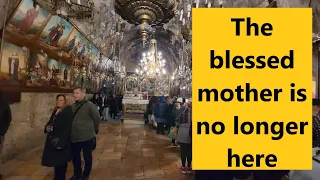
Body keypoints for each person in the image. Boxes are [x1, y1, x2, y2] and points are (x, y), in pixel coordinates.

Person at [70, 87, 101, 180]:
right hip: (75, 136)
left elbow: (97, 118)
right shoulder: (73, 106)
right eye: (74, 93)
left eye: (77, 93)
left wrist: (94, 129)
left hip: (87, 136)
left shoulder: (90, 105)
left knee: (87, 156)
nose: (75, 95)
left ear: (83, 94)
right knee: (75, 157)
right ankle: (77, 173)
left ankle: (86, 174)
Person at [41, 94, 73, 180]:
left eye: (61, 100)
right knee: (56, 160)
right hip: (54, 139)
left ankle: (61, 178)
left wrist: (62, 142)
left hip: (61, 139)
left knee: (62, 161)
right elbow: (50, 121)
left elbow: (68, 128)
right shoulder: (56, 110)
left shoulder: (67, 111)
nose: (59, 102)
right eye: (58, 100)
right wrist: (47, 127)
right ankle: (57, 177)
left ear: (65, 101)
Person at [176, 98, 192, 174]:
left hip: (182, 133)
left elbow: (177, 122)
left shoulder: (182, 113)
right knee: (190, 151)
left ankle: (183, 167)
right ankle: (189, 166)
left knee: (183, 151)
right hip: (191, 134)